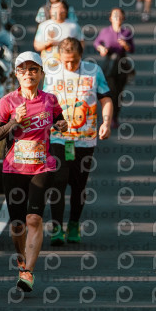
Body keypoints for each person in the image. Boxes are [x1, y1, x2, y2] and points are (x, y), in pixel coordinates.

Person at [0, 51, 68, 291]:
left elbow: (59, 119)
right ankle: (22, 259)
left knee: (33, 218)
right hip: (13, 169)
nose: (28, 74)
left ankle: (28, 272)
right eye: (23, 70)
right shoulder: (7, 102)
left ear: (41, 73)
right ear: (17, 74)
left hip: (42, 167)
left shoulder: (50, 100)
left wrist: (61, 124)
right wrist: (14, 121)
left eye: (33, 69)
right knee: (17, 226)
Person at [42, 37, 113, 245]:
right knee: (58, 180)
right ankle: (57, 228)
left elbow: (106, 99)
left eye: (74, 61)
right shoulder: (51, 73)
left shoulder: (93, 71)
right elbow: (43, 103)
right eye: (66, 61)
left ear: (81, 56)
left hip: (84, 139)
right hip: (58, 137)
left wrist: (106, 123)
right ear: (59, 57)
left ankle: (74, 224)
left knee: (78, 184)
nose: (70, 65)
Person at [94, 7, 135, 128]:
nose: (117, 18)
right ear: (110, 18)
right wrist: (101, 48)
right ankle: (108, 117)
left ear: (123, 18)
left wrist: (126, 45)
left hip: (122, 64)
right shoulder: (105, 31)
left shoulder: (127, 32)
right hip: (109, 65)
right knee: (110, 92)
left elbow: (132, 49)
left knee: (119, 93)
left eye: (120, 16)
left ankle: (115, 116)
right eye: (115, 15)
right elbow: (96, 42)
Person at [33, 0, 84, 71]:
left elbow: (81, 45)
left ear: (66, 10)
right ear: (50, 11)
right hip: (48, 66)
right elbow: (36, 46)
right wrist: (49, 43)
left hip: (68, 67)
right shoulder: (43, 26)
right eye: (55, 8)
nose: (58, 11)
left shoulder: (74, 26)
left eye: (61, 8)